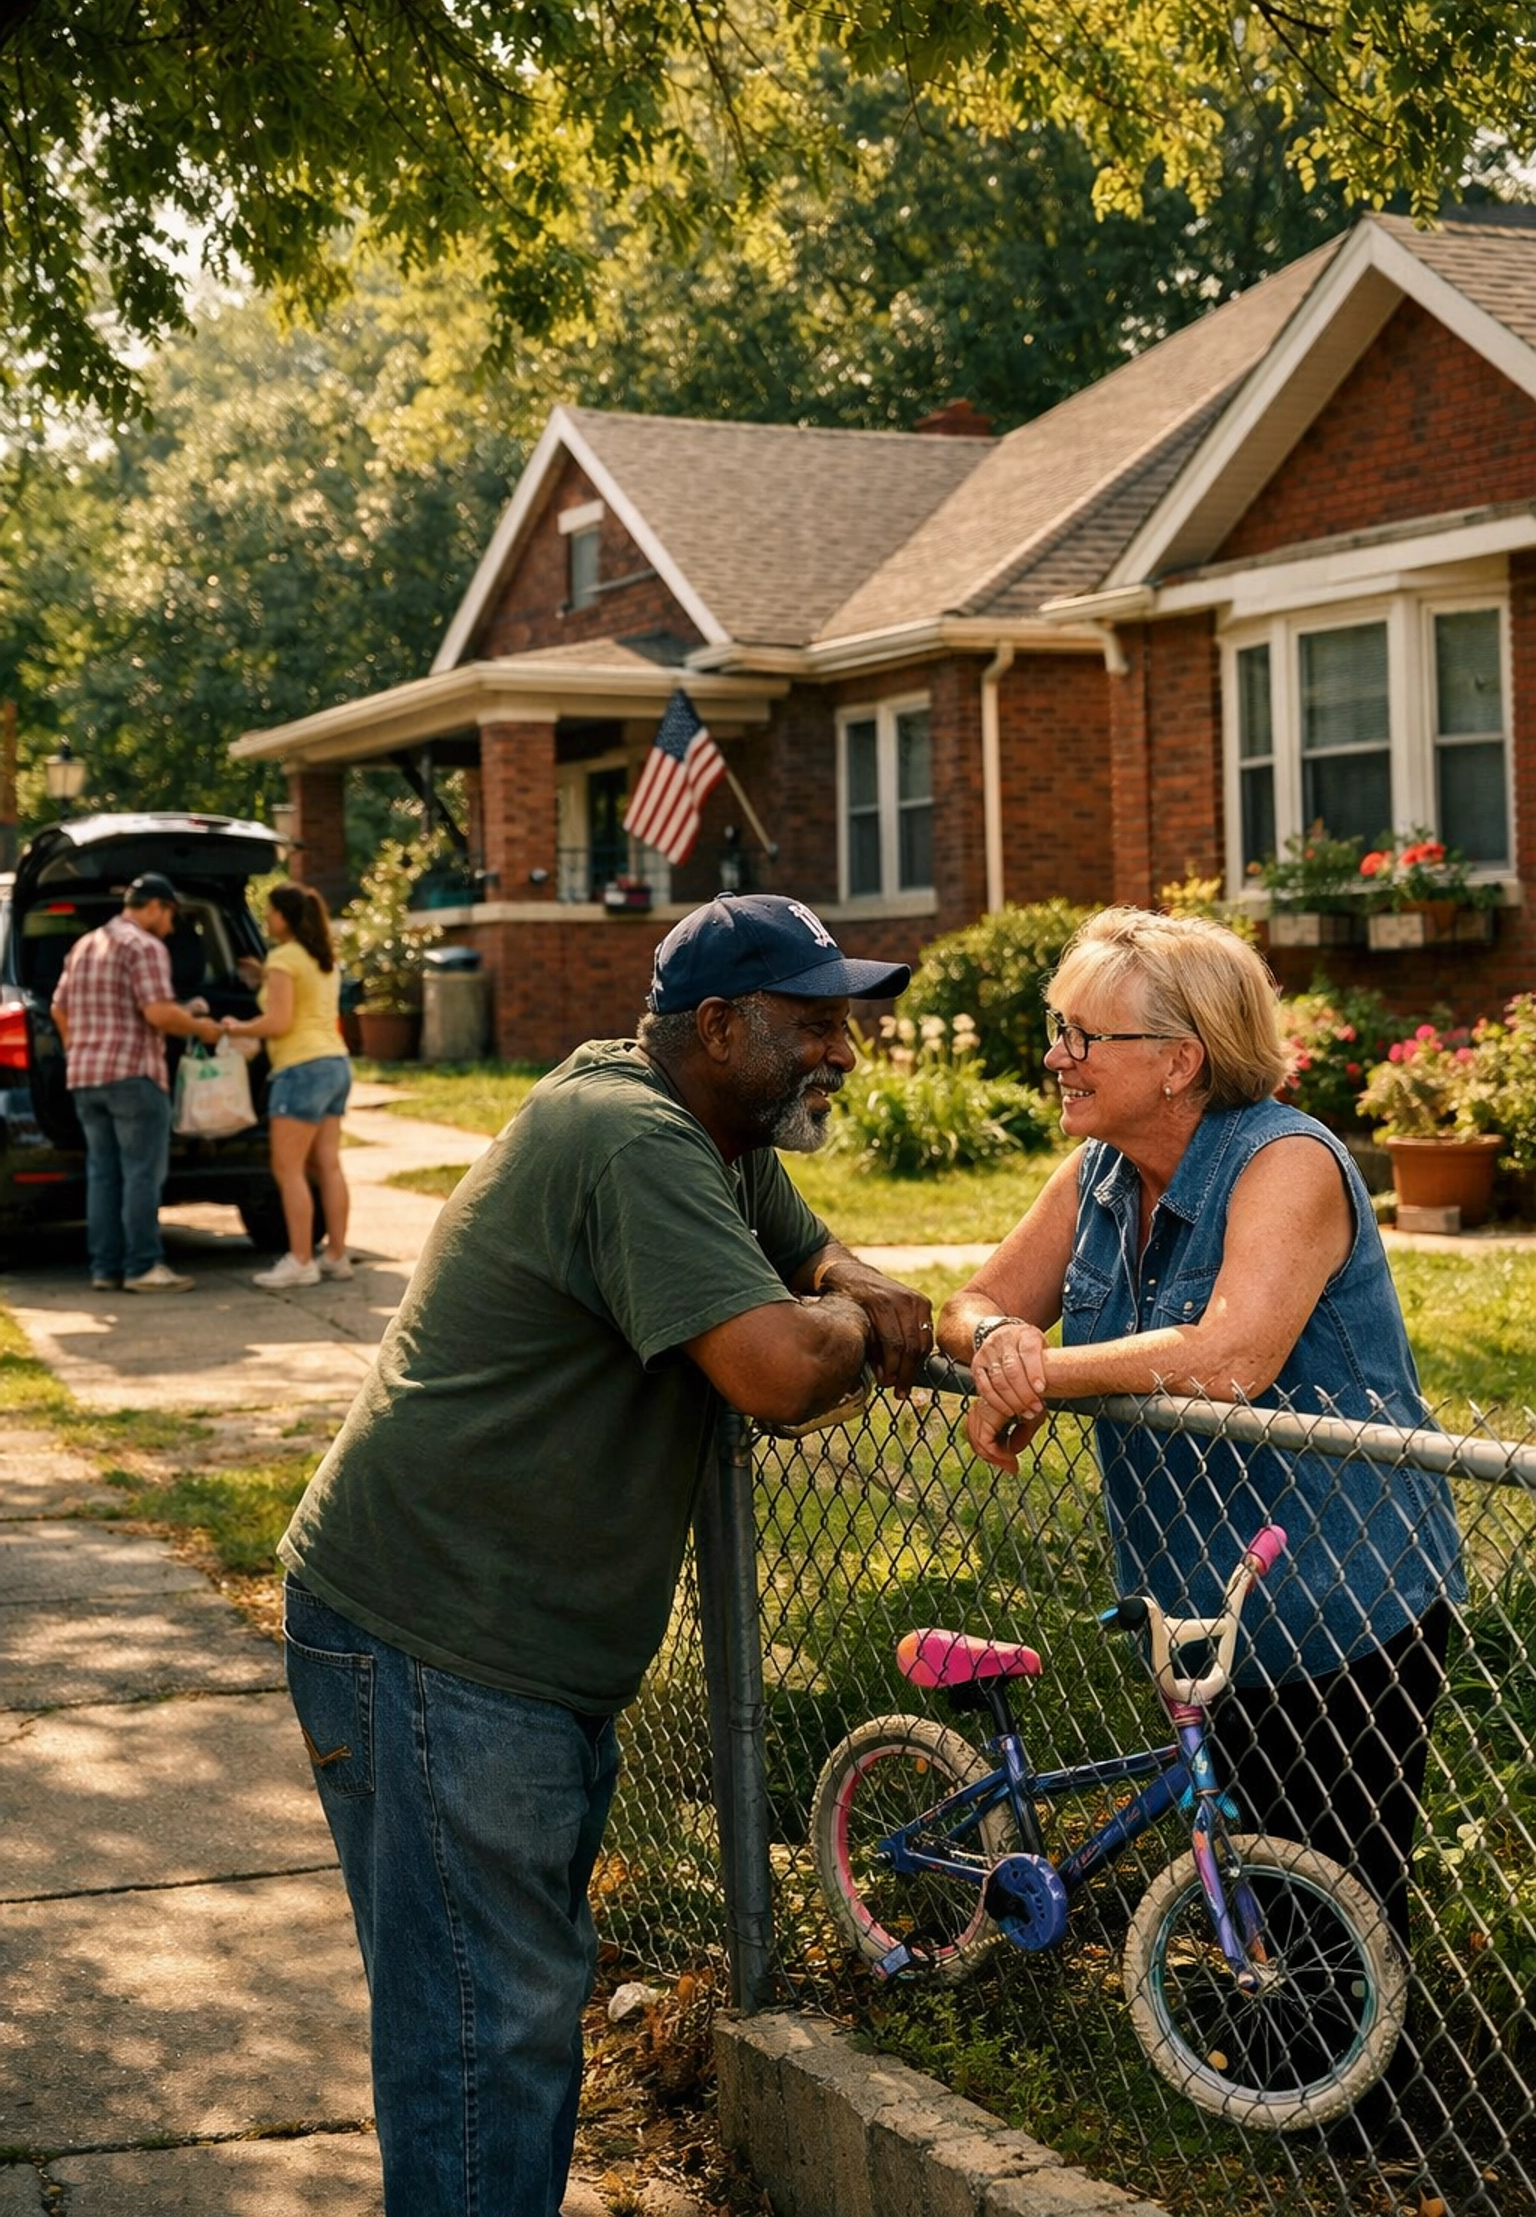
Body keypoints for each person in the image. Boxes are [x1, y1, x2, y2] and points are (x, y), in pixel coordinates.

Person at [278, 893, 935, 2217]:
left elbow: (817, 1260)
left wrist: (850, 1292)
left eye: (846, 1027)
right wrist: (862, 1328)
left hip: (503, 1644)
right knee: (483, 2040)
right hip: (436, 1639)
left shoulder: (704, 1126)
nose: (843, 1056)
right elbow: (770, 1368)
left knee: (495, 2018)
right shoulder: (629, 1138)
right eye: (816, 1026)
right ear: (718, 1025)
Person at [938, 906, 1464, 1971]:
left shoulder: (1288, 1162)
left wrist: (1039, 1375)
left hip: (1340, 1602)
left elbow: (1232, 1356)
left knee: (1336, 1901)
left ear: (1180, 1061)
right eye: (1059, 1029)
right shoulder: (1097, 1175)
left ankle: (1359, 2122)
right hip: (1199, 1608)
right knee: (1250, 1887)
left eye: (1085, 1036)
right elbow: (981, 1298)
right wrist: (996, 1341)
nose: (1056, 1056)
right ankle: (1270, 2093)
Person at [51, 871, 217, 1293]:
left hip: (86, 1078)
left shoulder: (85, 944)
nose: (172, 926)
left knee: (103, 1175)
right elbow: (158, 1013)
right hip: (134, 1076)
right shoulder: (145, 946)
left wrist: (78, 1050)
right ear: (156, 906)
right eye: (171, 915)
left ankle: (105, 1269)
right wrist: (201, 1027)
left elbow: (58, 1009)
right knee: (142, 1174)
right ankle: (143, 1266)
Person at [222, 880, 352, 1289]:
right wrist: (266, 977)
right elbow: (303, 1000)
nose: (266, 918)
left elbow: (278, 1023)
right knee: (327, 1165)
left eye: (270, 911)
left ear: (284, 917)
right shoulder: (322, 959)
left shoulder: (283, 959)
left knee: (288, 1168)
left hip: (300, 1069)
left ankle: (300, 1261)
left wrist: (233, 1027)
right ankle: (336, 1256)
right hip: (335, 1064)